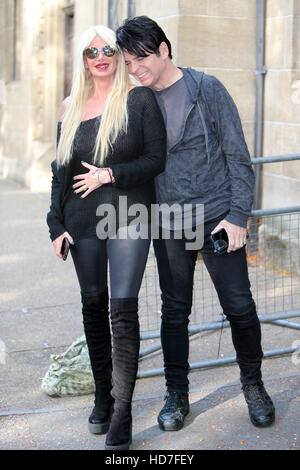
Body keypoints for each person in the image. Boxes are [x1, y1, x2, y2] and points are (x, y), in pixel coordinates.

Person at [115, 16, 275, 432]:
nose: (136, 69)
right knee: (175, 312)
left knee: (239, 307)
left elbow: (238, 155)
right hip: (170, 221)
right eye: (129, 63)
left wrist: (239, 215)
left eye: (142, 59)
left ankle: (254, 386)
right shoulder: (138, 100)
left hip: (218, 216)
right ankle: (176, 395)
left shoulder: (207, 89)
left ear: (164, 49)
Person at [46, 24, 166, 450]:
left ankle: (123, 411)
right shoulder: (69, 107)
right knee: (93, 305)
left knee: (122, 310)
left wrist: (109, 174)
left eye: (108, 49)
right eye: (91, 51)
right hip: (81, 220)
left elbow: (155, 159)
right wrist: (54, 225)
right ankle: (102, 393)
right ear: (82, 59)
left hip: (129, 212)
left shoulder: (138, 99)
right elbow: (60, 174)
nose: (100, 56)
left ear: (118, 55)